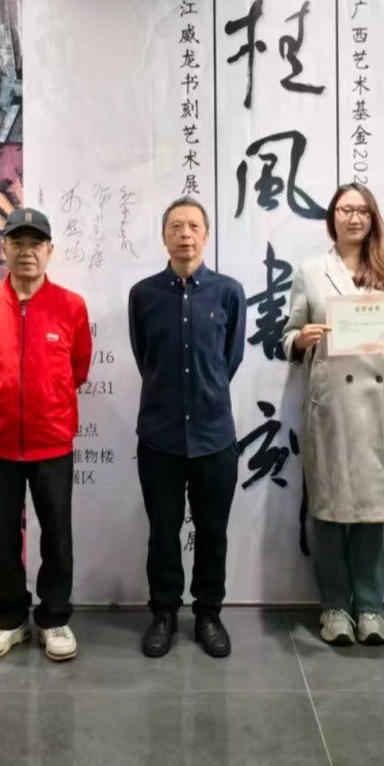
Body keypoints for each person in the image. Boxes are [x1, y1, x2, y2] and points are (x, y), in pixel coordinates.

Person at [286, 184, 384, 648]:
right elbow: (289, 334)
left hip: (378, 405)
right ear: (331, 218)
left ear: (373, 218)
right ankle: (335, 607)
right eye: (344, 209)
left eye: (361, 210)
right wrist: (301, 340)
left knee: (373, 510)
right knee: (330, 508)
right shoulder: (311, 272)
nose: (353, 217)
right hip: (333, 402)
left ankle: (371, 608)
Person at [0, 208, 92, 663]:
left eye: (36, 243)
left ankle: (54, 617)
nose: (27, 251)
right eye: (17, 242)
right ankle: (10, 618)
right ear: (3, 248)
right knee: (1, 537)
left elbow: (78, 368)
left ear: (50, 250)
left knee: (57, 534)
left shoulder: (71, 306)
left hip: (51, 440)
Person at [127, 198, 246, 659]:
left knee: (213, 532)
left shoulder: (228, 292)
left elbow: (229, 359)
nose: (185, 235)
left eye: (194, 226)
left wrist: (205, 395)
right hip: (160, 436)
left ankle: (208, 614)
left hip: (215, 436)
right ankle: (163, 614)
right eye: (176, 226)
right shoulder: (143, 294)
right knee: (163, 531)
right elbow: (145, 357)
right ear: (164, 236)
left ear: (207, 235)